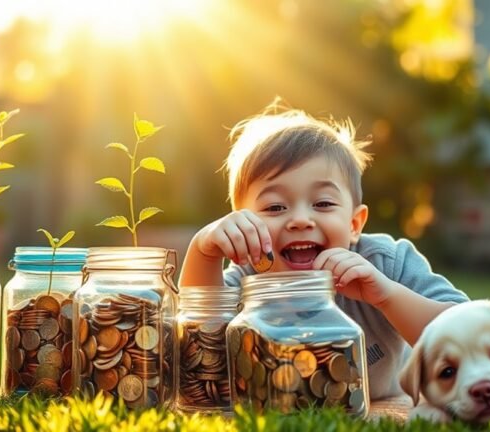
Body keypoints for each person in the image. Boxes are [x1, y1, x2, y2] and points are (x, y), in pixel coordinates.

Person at [179, 101, 469, 400]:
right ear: (246, 224)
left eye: (323, 203)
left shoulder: (384, 262)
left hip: (388, 407)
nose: (301, 220)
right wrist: (204, 251)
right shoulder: (246, 282)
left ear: (355, 223)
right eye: (275, 207)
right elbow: (200, 341)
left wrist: (387, 296)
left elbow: (467, 332)